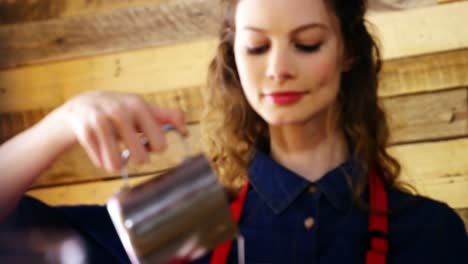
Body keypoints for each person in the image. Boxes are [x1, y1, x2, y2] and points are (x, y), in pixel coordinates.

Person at [1, 0, 467, 263]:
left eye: (307, 44)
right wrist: (60, 125)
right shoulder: (186, 225)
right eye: (257, 47)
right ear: (234, 59)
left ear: (348, 52)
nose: (278, 69)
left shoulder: (432, 234)